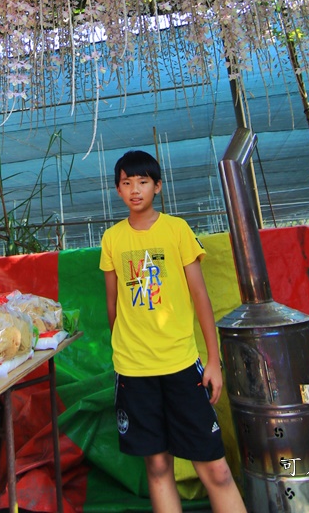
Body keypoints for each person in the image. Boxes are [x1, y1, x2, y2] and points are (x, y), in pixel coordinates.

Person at [99, 149, 246, 513]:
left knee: (215, 467)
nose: (135, 190)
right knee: (158, 465)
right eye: (127, 183)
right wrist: (125, 353)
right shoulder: (112, 239)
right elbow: (112, 306)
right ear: (118, 190)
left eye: (143, 182)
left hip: (181, 366)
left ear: (157, 187)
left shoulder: (177, 230)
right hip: (134, 371)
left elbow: (201, 297)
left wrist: (212, 361)